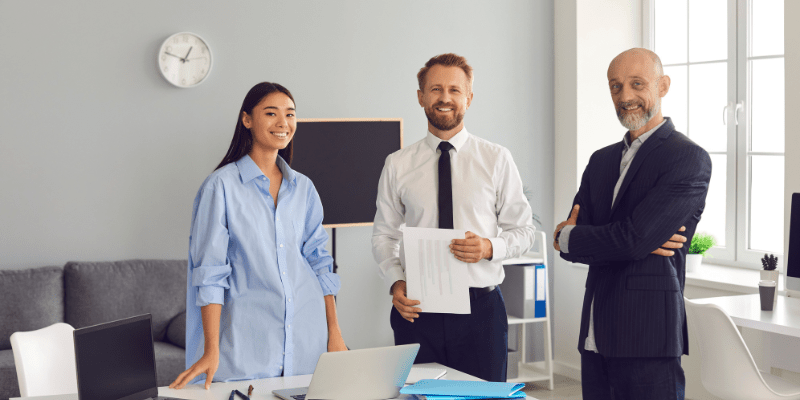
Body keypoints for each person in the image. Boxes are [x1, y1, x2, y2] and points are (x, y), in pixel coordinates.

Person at [553, 48, 712, 400]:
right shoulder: (601, 160)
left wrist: (581, 236)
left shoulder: (687, 157)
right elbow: (569, 242)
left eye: (637, 84)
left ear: (663, 85)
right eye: (615, 86)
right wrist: (578, 237)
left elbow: (628, 240)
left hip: (647, 337)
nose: (625, 96)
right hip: (595, 332)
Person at [169, 82, 347, 390]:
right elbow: (210, 274)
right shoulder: (220, 188)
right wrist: (211, 350)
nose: (283, 123)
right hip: (246, 348)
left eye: (290, 114)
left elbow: (320, 263)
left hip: (307, 341)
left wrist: (335, 332)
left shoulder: (304, 188)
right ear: (247, 119)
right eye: (271, 113)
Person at [372, 53, 536, 382]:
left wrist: (490, 247)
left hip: (481, 313)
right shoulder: (398, 164)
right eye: (435, 89)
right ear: (421, 97)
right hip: (418, 311)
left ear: (469, 98)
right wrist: (395, 281)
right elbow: (384, 236)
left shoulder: (496, 159)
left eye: (454, 90)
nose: (445, 98)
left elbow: (524, 231)